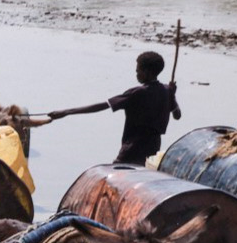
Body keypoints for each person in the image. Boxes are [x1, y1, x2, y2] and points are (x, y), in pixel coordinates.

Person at [46, 49, 181, 164]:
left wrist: (67, 112)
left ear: (147, 72)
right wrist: (172, 95)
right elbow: (177, 115)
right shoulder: (166, 91)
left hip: (132, 148)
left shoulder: (137, 93)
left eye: (138, 70)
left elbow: (103, 105)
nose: (136, 73)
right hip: (153, 149)